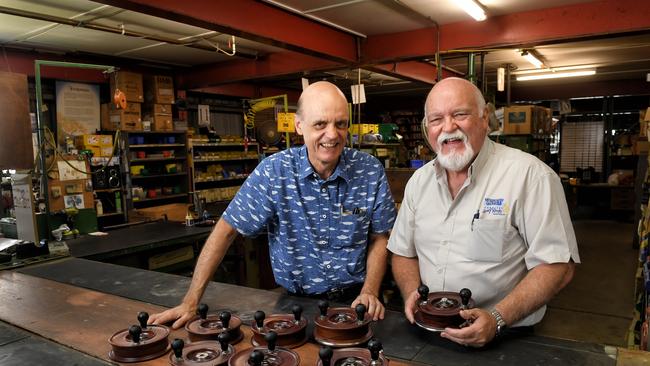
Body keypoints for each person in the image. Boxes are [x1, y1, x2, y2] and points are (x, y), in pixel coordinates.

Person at [149, 81, 396, 328]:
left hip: (356, 302)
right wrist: (190, 302)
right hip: (294, 304)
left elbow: (379, 236)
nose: (332, 134)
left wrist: (370, 291)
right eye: (320, 124)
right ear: (299, 125)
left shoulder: (369, 170)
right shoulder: (274, 172)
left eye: (340, 123)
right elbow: (226, 230)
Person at [387, 77, 580, 347]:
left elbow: (557, 266)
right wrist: (411, 293)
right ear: (426, 127)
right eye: (436, 119)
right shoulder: (419, 182)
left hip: (504, 334)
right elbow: (403, 252)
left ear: (484, 118)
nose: (448, 128)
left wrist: (497, 318)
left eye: (460, 114)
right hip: (429, 328)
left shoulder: (530, 177)